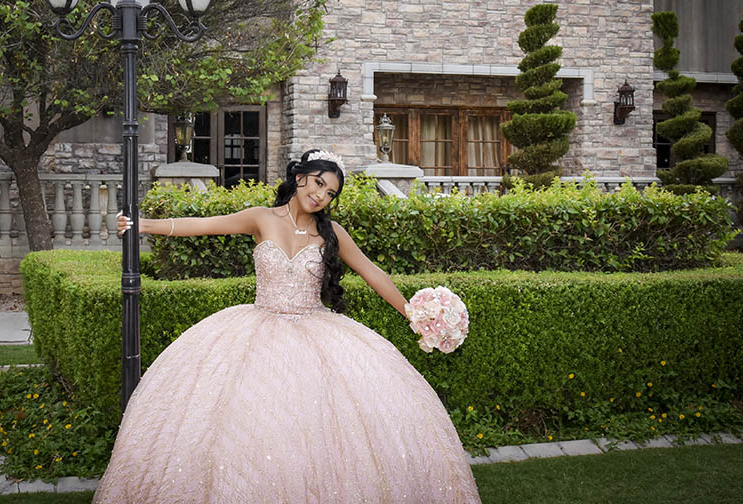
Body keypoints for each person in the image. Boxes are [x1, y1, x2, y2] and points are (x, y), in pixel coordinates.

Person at [94, 149, 481, 504]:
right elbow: (203, 224)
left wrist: (412, 311)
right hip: (257, 329)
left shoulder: (332, 234)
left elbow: (372, 273)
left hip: (317, 335)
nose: (321, 196)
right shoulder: (261, 218)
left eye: (330, 193)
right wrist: (144, 225)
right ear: (300, 178)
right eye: (318, 184)